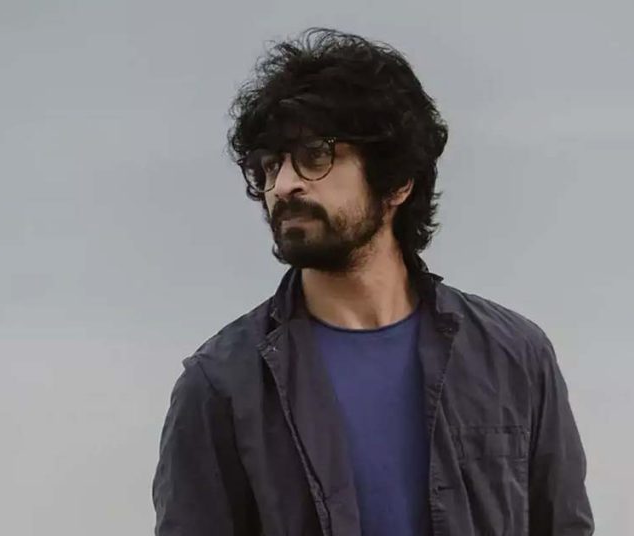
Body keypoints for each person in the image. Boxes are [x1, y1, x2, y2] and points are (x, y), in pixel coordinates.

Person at [152, 27, 594, 536]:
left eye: (315, 156)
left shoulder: (515, 355)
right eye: (270, 165)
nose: (283, 185)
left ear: (397, 181)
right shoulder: (221, 383)